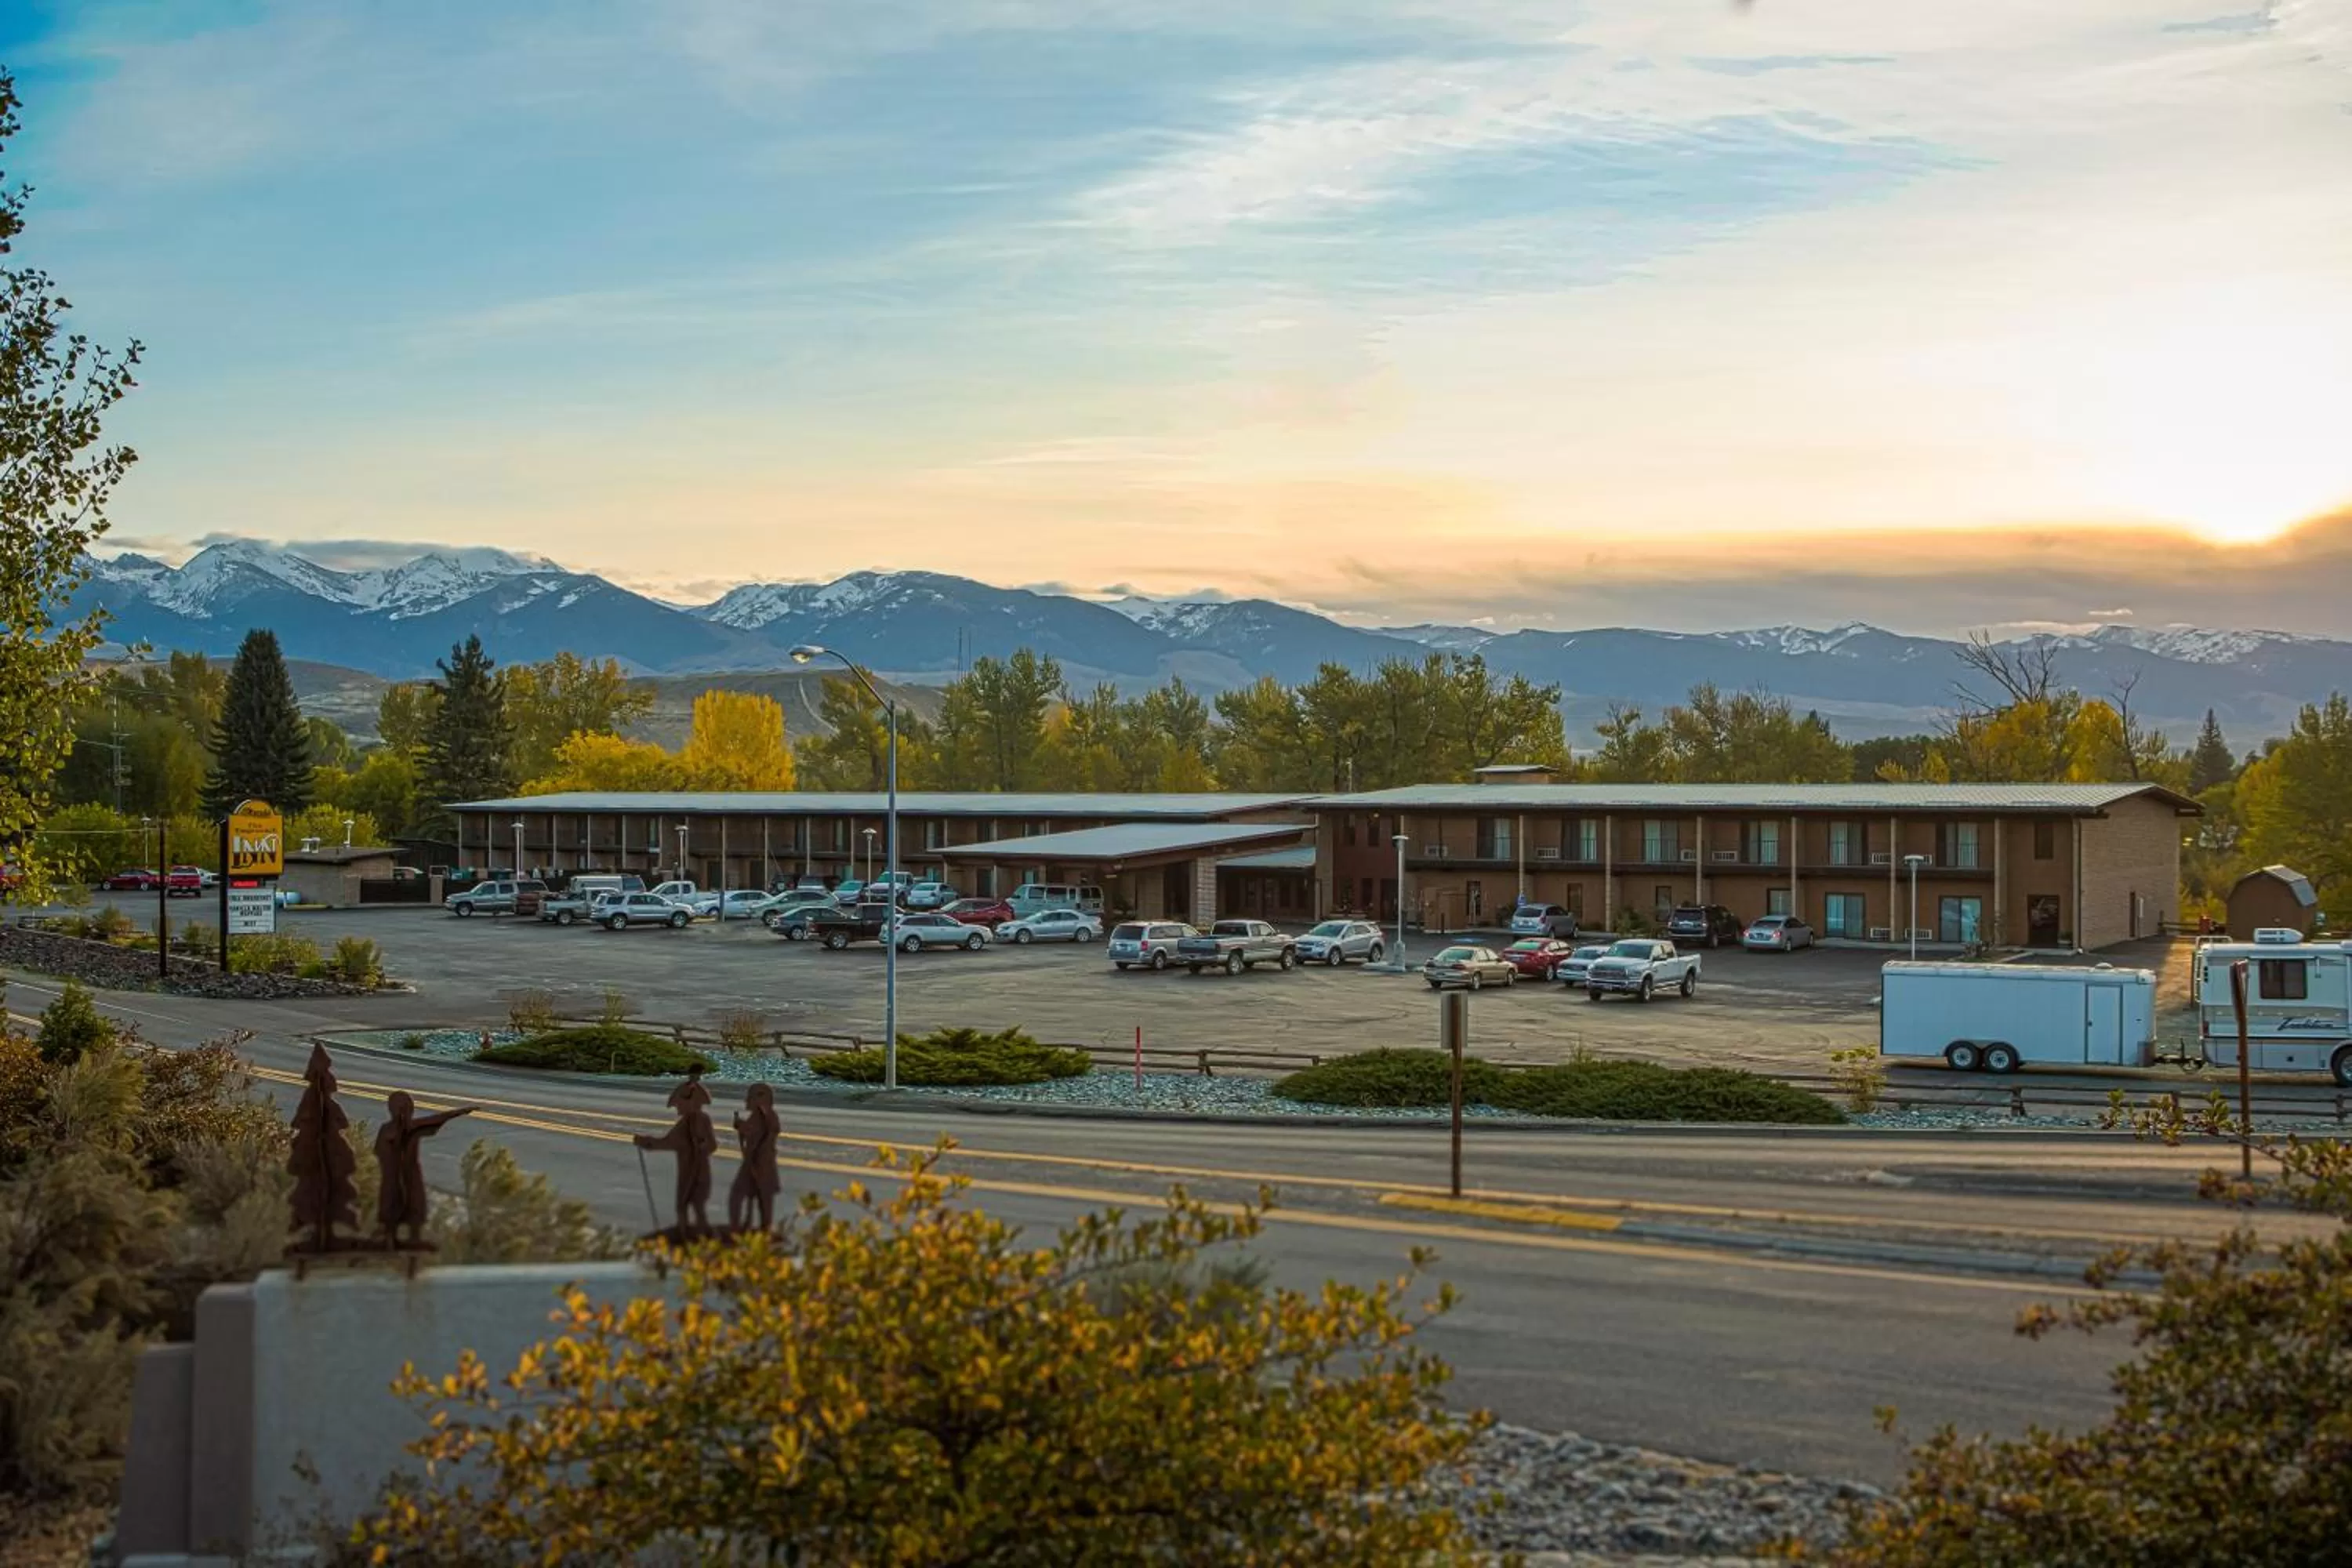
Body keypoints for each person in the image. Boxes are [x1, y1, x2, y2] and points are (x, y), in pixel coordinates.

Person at [374, 1091, 474, 1246]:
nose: (404, 1112)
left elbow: (437, 1119)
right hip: (393, 1178)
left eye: (407, 1109)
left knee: (414, 1210)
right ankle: (390, 1240)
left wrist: (460, 1112)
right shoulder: (390, 1130)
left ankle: (412, 1242)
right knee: (391, 1210)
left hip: (410, 1177)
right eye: (401, 1109)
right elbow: (380, 1152)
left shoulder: (413, 1127)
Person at [636, 1069, 717, 1233]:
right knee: (688, 1206)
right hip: (689, 1171)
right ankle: (690, 1235)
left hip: (696, 1173)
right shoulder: (688, 1121)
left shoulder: (698, 1120)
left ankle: (696, 1236)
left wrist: (701, 1148)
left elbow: (710, 1145)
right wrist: (647, 1142)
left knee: (689, 1205)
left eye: (679, 1103)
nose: (677, 1107)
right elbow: (669, 1142)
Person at [728, 1083, 781, 1231]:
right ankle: (743, 1225)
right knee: (743, 1193)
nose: (747, 1101)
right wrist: (740, 1126)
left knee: (763, 1196)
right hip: (752, 1160)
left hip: (762, 1162)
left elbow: (770, 1134)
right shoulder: (757, 1116)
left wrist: (758, 1156)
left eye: (751, 1098)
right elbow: (750, 1131)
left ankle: (765, 1226)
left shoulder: (769, 1116)